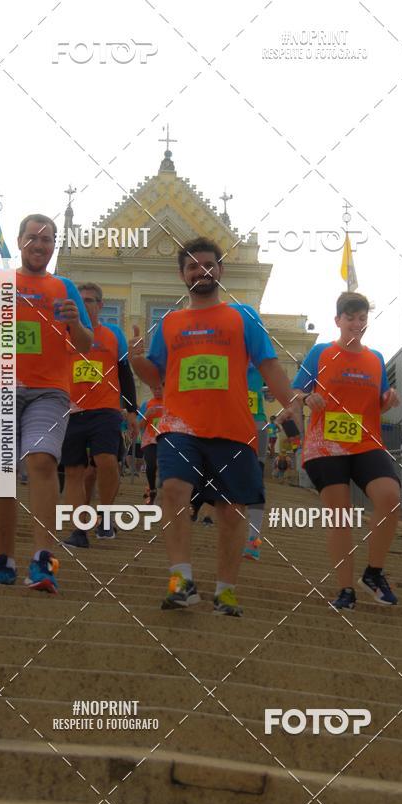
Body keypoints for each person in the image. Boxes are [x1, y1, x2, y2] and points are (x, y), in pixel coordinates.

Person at [128, 236, 300, 617]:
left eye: (208, 264)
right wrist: (136, 359)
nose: (201, 271)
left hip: (232, 428)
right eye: (192, 266)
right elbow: (154, 374)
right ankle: (181, 580)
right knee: (171, 489)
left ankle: (226, 591)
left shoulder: (243, 317)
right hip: (178, 426)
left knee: (231, 509)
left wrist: (291, 404)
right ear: (182, 274)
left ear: (220, 270)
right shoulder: (169, 322)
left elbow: (269, 364)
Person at [0, 214, 93, 593]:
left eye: (48, 239)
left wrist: (75, 323)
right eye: (33, 238)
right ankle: (4, 560)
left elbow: (84, 345)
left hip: (49, 389)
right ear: (19, 241)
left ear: (54, 246)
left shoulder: (64, 287)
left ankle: (42, 560)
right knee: (0, 471)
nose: (40, 245)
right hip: (1, 384)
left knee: (41, 459)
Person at [292, 291, 400, 610]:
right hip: (325, 444)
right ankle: (345, 590)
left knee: (390, 498)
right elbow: (296, 388)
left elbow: (377, 405)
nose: (356, 323)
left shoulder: (376, 358)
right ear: (338, 320)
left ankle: (374, 573)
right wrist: (305, 398)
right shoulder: (322, 354)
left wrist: (388, 399)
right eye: (350, 318)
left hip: (366, 442)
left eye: (362, 318)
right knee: (339, 516)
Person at [61, 283, 138, 547]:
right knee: (74, 471)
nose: (85, 305)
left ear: (100, 305)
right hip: (71, 410)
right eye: (80, 301)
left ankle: (105, 515)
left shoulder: (114, 334)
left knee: (106, 461)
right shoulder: (64, 333)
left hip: (106, 408)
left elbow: (125, 373)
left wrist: (131, 411)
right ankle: (79, 530)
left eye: (91, 300)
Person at [243, 363, 269, 561]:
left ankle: (253, 539)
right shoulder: (226, 354)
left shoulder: (262, 361)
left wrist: (270, 392)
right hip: (229, 423)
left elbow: (274, 391)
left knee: (256, 479)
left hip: (257, 424)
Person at [139, 385, 164, 506]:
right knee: (151, 465)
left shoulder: (170, 403)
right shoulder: (146, 404)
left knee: (165, 467)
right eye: (155, 388)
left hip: (166, 439)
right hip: (150, 440)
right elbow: (140, 426)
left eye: (160, 388)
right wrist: (147, 414)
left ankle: (162, 494)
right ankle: (152, 490)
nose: (157, 391)